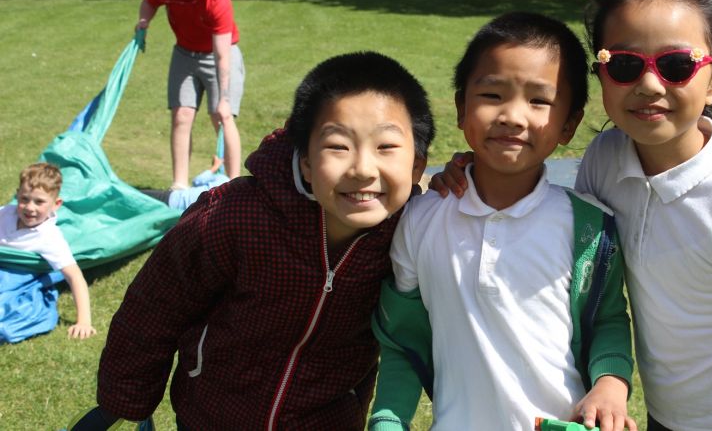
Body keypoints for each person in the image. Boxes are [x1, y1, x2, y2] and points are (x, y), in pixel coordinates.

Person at [433, 0, 712, 431]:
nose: (650, 84)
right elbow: (562, 238)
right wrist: (470, 172)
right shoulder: (605, 159)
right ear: (601, 73)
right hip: (663, 418)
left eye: (678, 65)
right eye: (625, 64)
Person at [72, 52, 434, 429]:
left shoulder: (413, 233)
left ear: (417, 165)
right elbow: (156, 305)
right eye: (338, 146)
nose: (362, 169)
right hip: (212, 416)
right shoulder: (234, 216)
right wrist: (124, 400)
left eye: (386, 147)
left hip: (329, 420)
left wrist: (465, 176)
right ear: (306, 163)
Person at [368, 13, 635, 431]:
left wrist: (611, 385)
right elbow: (402, 341)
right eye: (492, 94)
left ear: (569, 124)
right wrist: (387, 420)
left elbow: (608, 320)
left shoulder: (588, 228)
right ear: (461, 108)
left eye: (539, 101)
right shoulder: (419, 219)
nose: (513, 115)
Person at [136, 0, 245, 190]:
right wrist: (144, 21)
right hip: (184, 54)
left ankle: (234, 185)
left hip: (219, 55)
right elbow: (149, 2)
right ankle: (179, 185)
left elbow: (222, 55)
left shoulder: (217, 0)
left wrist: (224, 98)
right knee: (181, 116)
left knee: (222, 117)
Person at [0, 163, 95, 339]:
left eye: (39, 202)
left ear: (56, 204)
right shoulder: (6, 214)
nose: (30, 207)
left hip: (17, 278)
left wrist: (84, 321)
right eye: (24, 199)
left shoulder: (49, 238)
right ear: (17, 195)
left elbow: (74, 276)